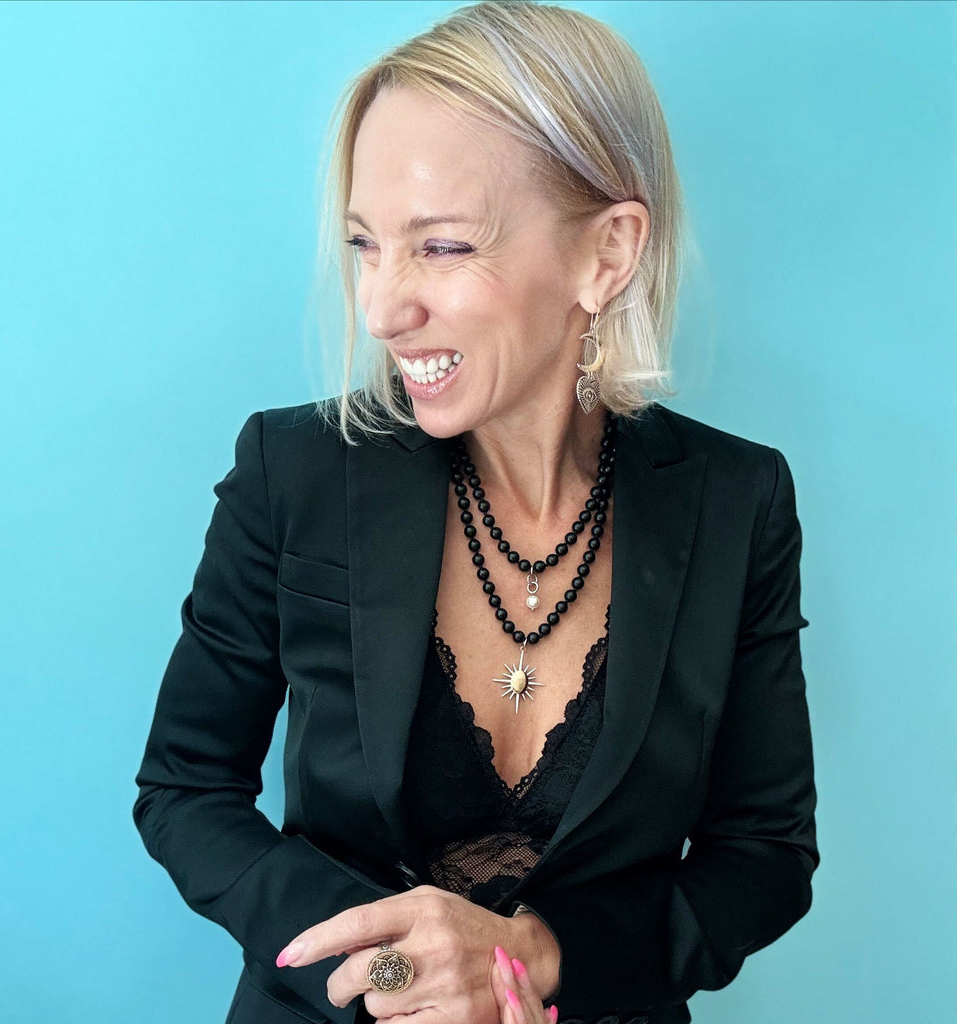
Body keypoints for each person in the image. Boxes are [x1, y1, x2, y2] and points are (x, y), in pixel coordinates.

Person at [132, 4, 818, 1024]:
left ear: (607, 253)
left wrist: (533, 955)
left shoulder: (736, 501)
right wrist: (395, 967)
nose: (382, 307)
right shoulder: (294, 471)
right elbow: (185, 786)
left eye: (442, 246)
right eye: (367, 244)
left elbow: (762, 854)